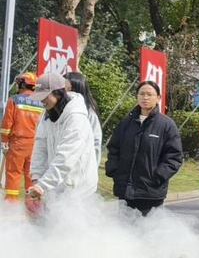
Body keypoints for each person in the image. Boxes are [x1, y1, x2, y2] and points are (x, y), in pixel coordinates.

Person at [104, 80, 183, 216]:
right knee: (125, 232)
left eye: (149, 94)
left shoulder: (166, 125)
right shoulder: (126, 123)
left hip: (151, 192)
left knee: (148, 233)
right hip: (125, 190)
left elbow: (174, 157)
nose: (145, 97)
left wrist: (157, 176)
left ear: (158, 98)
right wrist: (114, 170)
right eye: (142, 94)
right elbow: (114, 148)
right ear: (137, 96)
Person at [27, 73, 99, 205]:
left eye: (44, 96)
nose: (41, 101)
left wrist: (43, 185)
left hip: (79, 187)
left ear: (58, 93)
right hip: (56, 184)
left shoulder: (76, 117)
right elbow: (40, 146)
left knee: (72, 224)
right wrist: (36, 178)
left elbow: (66, 156)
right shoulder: (46, 114)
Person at [2, 72, 43, 200]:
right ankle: (31, 206)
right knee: (31, 175)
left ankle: (11, 205)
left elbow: (7, 124)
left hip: (18, 144)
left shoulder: (14, 100)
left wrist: (4, 141)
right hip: (36, 145)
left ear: (23, 84)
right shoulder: (41, 102)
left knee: (13, 174)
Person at [64, 71, 103, 165]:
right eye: (63, 90)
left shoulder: (88, 113)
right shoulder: (55, 110)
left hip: (79, 166)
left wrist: (92, 167)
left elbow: (96, 141)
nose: (66, 94)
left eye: (70, 90)